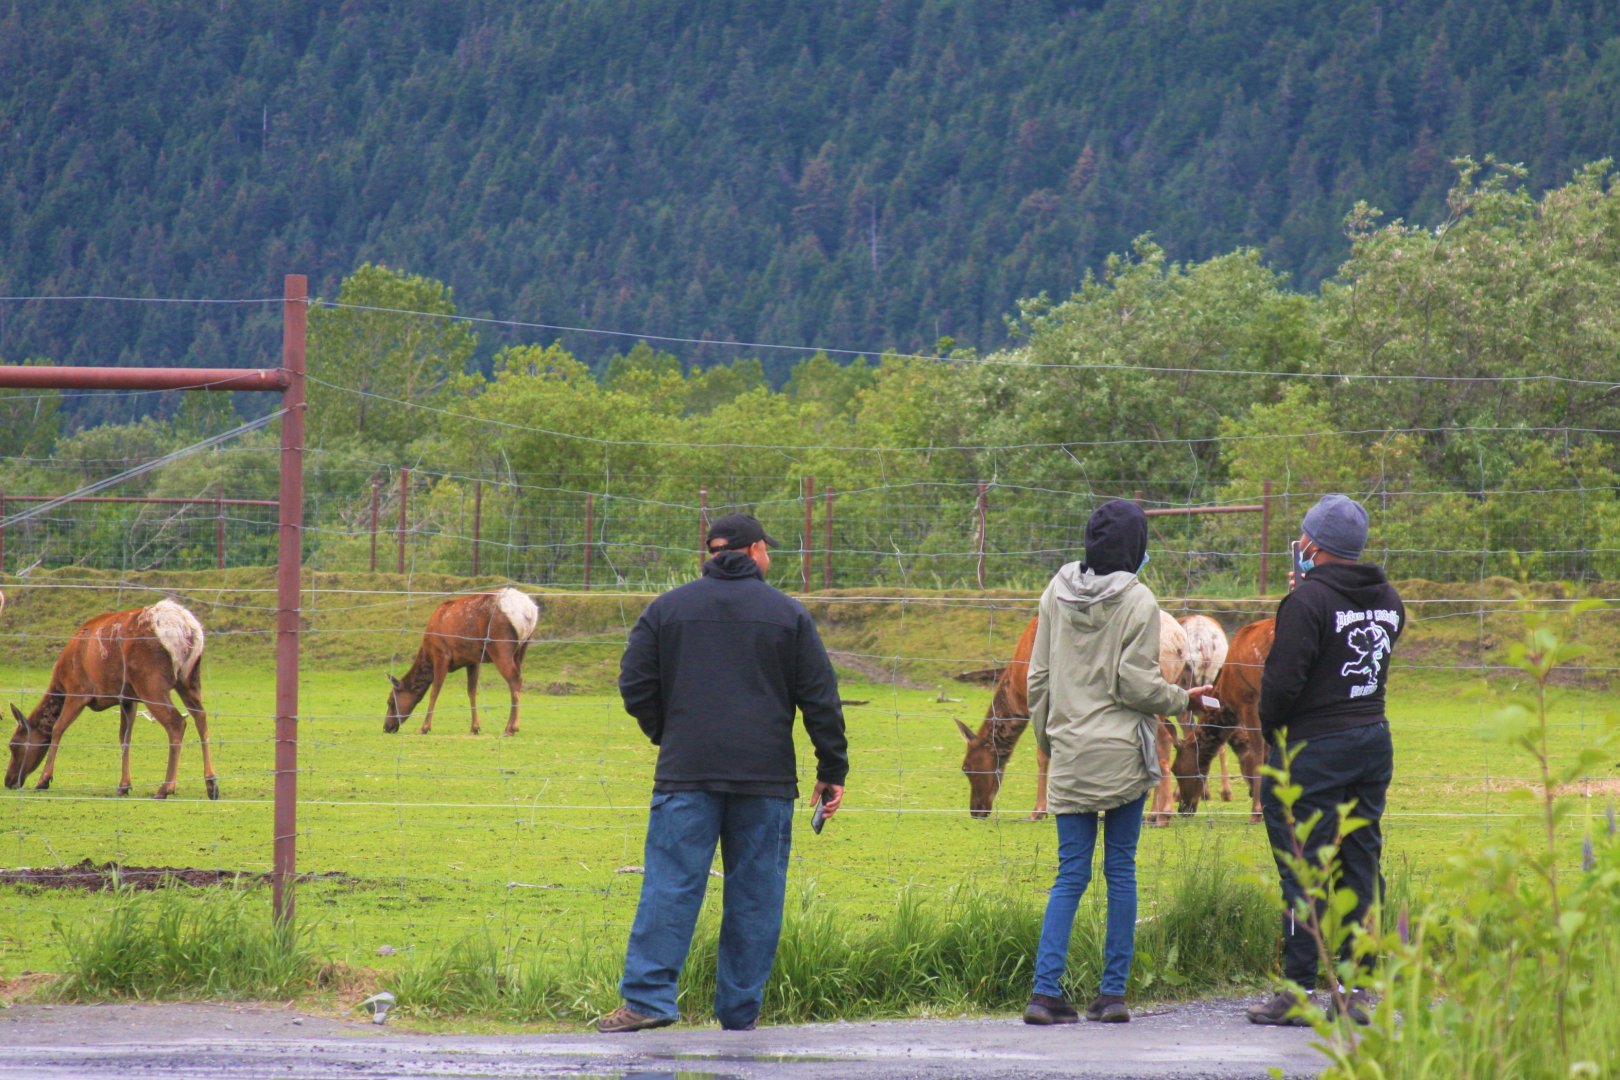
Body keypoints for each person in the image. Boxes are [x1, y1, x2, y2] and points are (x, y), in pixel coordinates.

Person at [600, 512, 849, 1034]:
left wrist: (669, 733)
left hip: (686, 771)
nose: (769, 557)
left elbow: (635, 683)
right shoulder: (787, 614)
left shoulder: (667, 609)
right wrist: (832, 766)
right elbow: (820, 697)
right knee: (756, 897)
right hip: (766, 777)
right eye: (768, 549)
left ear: (712, 553)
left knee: (670, 887)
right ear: (754, 550)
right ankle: (739, 1012)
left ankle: (647, 1001)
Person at [1023, 500, 1214, 1025]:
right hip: (1124, 756)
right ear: (1136, 547)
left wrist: (1051, 740)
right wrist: (1183, 699)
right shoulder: (1139, 600)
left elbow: (1038, 678)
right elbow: (1135, 684)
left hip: (1070, 751)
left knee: (1069, 874)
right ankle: (1112, 994)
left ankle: (1043, 992)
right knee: (1121, 870)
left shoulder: (1054, 593)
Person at [1246, 494, 1405, 1026]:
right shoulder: (1389, 598)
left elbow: (1281, 686)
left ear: (1313, 545)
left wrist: (1274, 735)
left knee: (1303, 865)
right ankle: (1356, 989)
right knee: (1360, 862)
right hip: (1372, 738)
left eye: (1303, 537)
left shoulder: (1307, 602)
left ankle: (1297, 990)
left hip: (1314, 749)